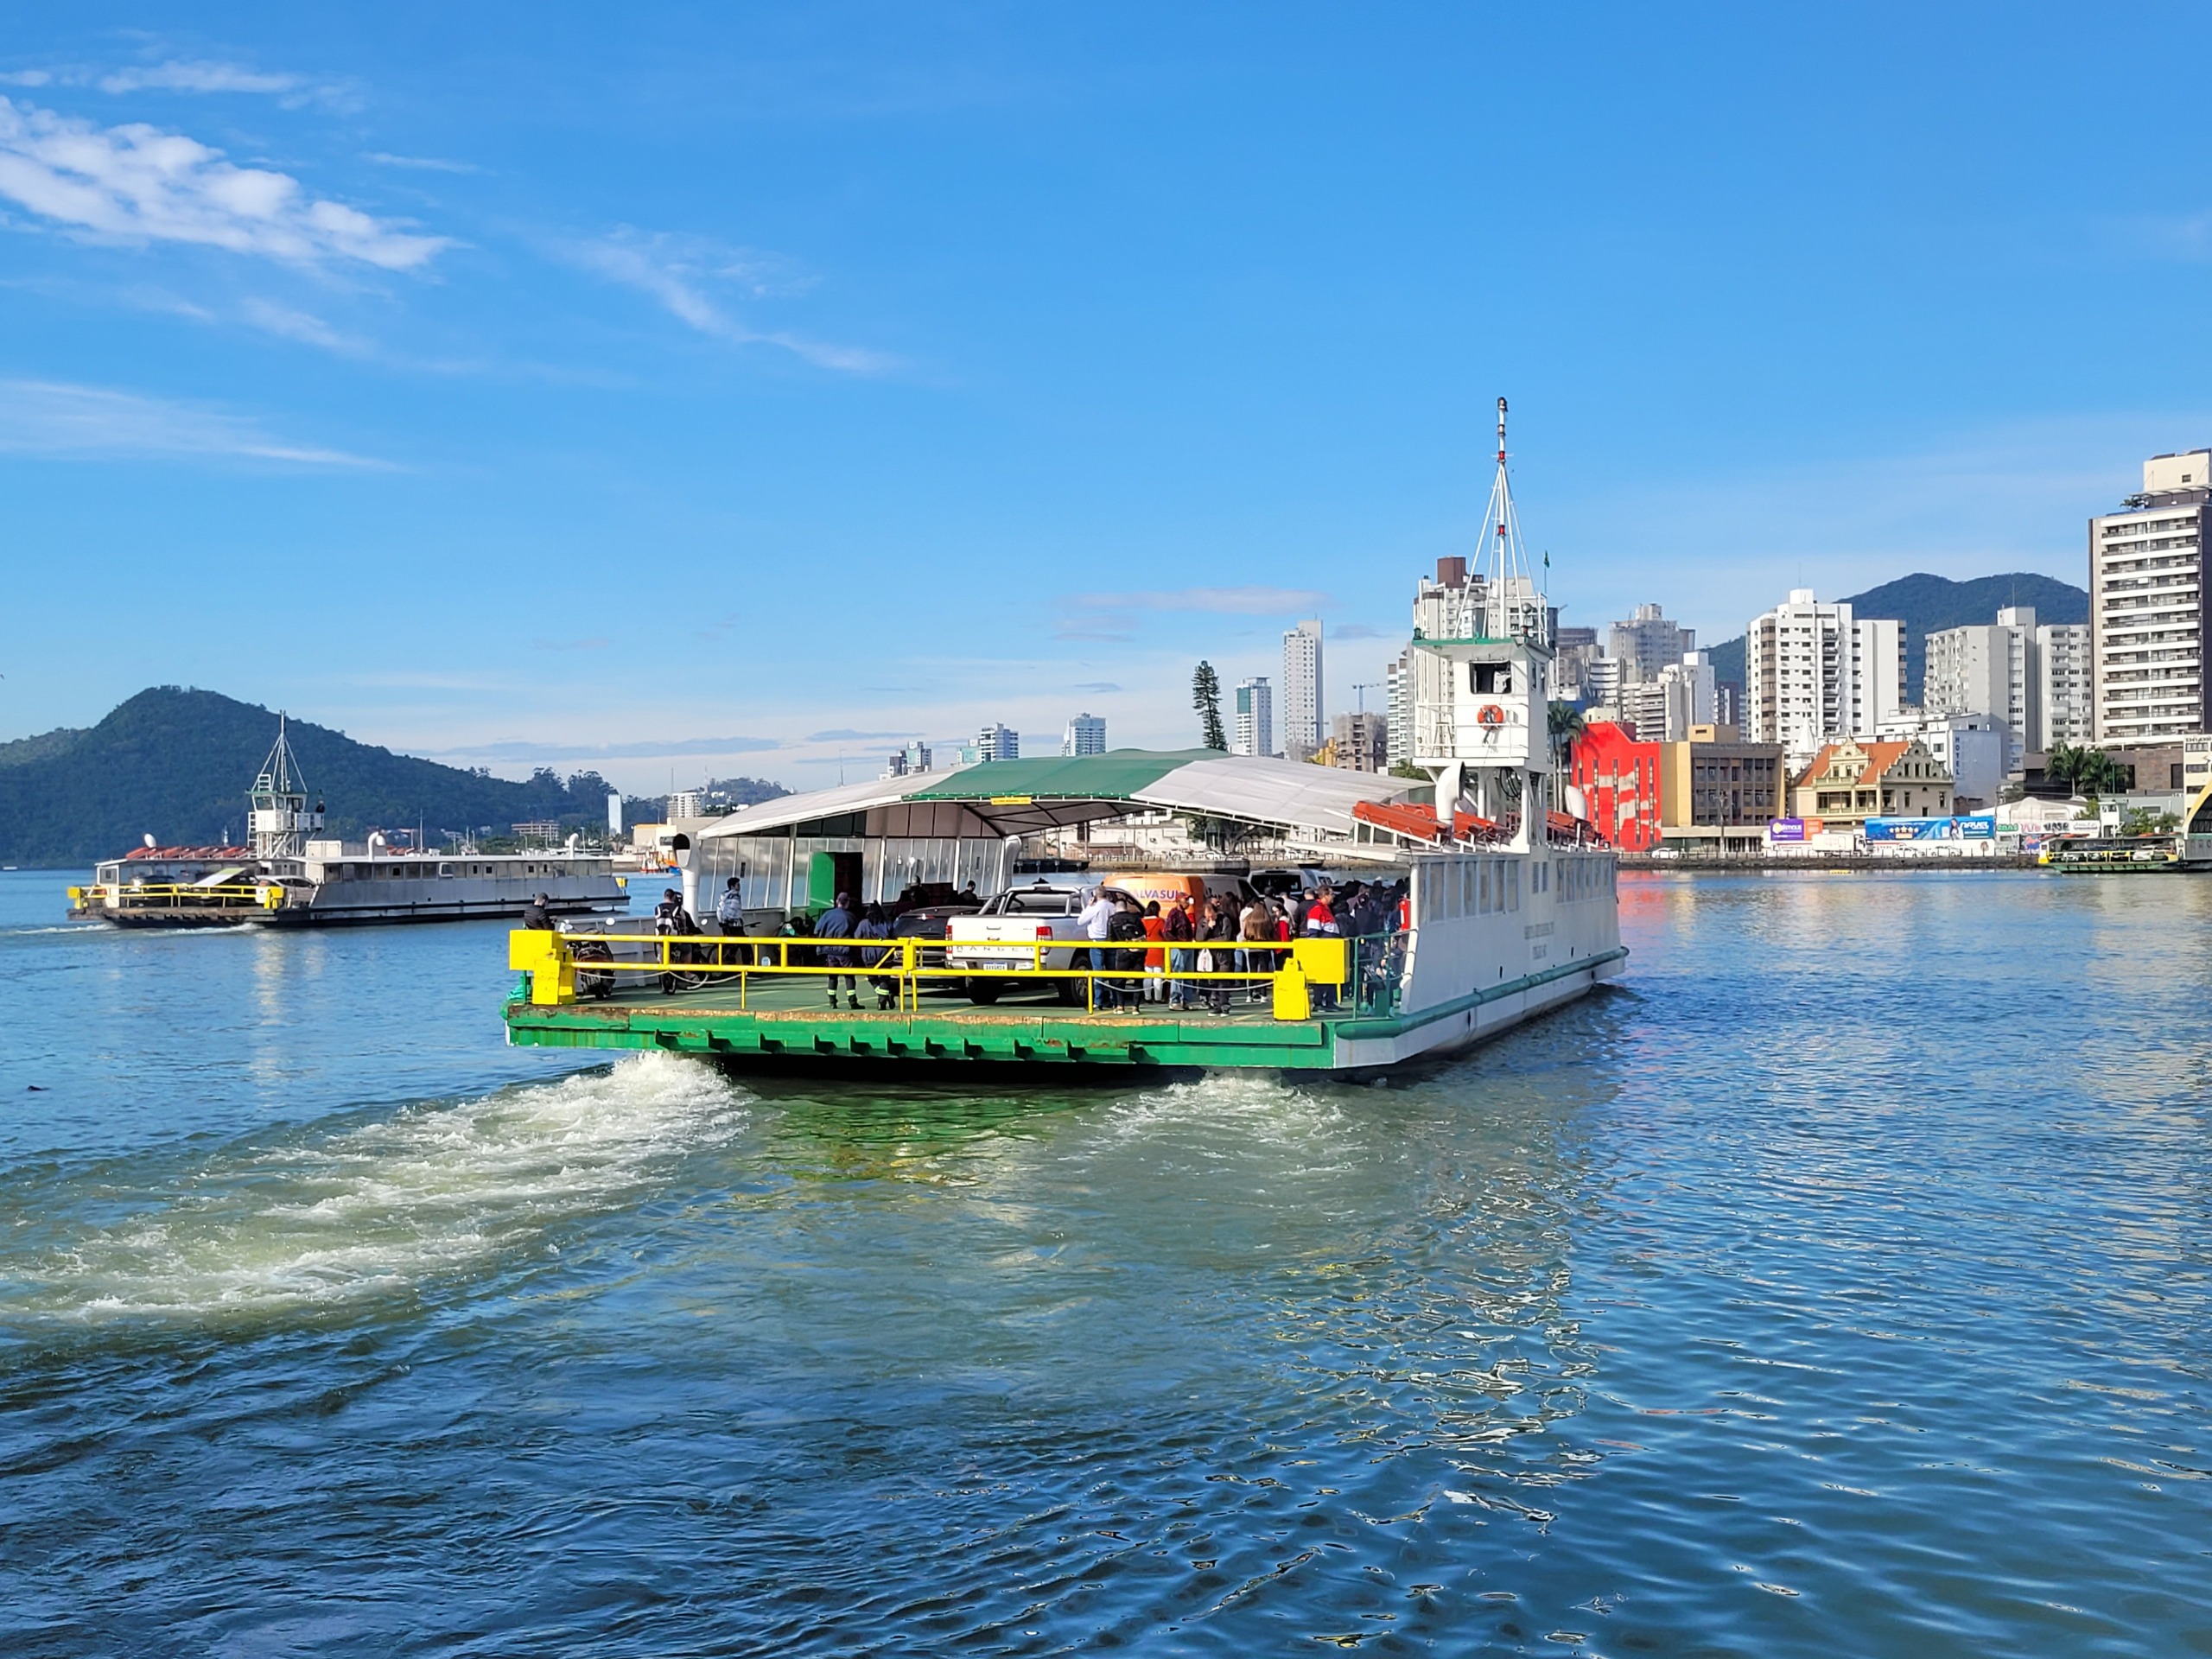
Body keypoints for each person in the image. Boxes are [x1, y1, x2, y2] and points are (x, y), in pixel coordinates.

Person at [816, 891, 859, 1009]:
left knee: (832, 977)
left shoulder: (827, 915)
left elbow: (816, 930)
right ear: (847, 903)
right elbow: (857, 933)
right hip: (844, 951)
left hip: (830, 951)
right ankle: (852, 1001)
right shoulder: (850, 916)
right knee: (849, 976)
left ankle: (832, 1002)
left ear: (837, 902)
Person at [653, 887, 698, 996]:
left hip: (659, 938)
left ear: (664, 897)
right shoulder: (677, 907)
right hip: (673, 936)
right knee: (687, 949)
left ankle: (663, 982)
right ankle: (686, 972)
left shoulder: (658, 907)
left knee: (660, 959)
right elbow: (683, 920)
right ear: (673, 897)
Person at [855, 901, 898, 1010]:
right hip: (885, 955)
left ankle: (883, 997)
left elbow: (856, 937)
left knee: (872, 978)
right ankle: (883, 999)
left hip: (869, 956)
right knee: (884, 978)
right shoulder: (887, 923)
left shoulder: (863, 924)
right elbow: (893, 936)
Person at [1077, 886, 1118, 996]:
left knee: (1097, 971)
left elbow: (1080, 921)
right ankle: (1114, 999)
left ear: (1095, 895)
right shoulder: (1112, 906)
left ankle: (1098, 1000)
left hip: (1097, 940)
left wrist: (1089, 907)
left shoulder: (1095, 908)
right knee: (1112, 971)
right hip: (1111, 941)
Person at [1164, 896, 1196, 1010]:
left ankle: (1187, 1001)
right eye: (1185, 900)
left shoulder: (1184, 914)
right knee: (1178, 975)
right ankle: (1175, 1001)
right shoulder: (1173, 914)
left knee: (1188, 975)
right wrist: (1177, 943)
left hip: (1187, 947)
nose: (1188, 902)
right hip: (1178, 949)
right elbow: (1167, 932)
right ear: (1179, 901)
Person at [715, 876, 752, 968]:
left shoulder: (723, 896)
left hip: (725, 925)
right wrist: (731, 919)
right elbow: (733, 909)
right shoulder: (735, 896)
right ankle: (748, 969)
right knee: (746, 947)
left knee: (731, 945)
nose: (739, 887)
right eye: (737, 885)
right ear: (732, 886)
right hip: (735, 926)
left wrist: (721, 921)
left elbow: (719, 910)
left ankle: (726, 962)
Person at [1141, 900, 1166, 1003]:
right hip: (1158, 950)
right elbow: (1164, 934)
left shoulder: (1142, 921)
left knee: (1147, 975)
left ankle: (1147, 997)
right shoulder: (1160, 922)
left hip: (1146, 950)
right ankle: (1158, 997)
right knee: (1158, 976)